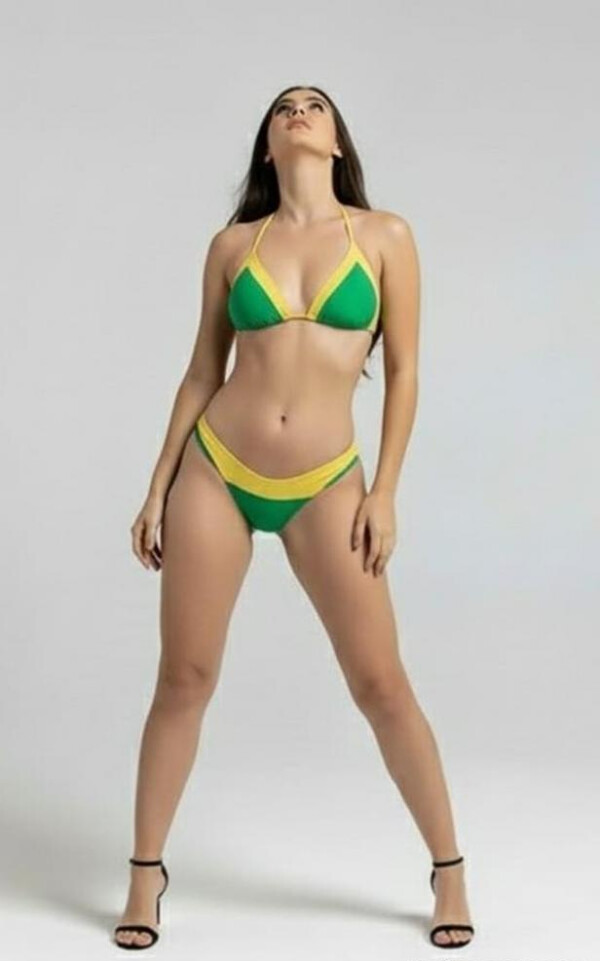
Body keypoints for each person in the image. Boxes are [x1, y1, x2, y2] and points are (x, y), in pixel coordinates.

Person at [113, 84, 475, 950]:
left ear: (337, 142)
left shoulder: (385, 236)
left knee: (380, 683)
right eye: (283, 109)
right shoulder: (232, 245)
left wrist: (385, 491)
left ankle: (450, 870)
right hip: (218, 468)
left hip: (328, 481)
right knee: (184, 677)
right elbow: (201, 371)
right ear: (268, 147)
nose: (298, 112)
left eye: (314, 105)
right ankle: (144, 875)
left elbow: (407, 369)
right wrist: (157, 485)